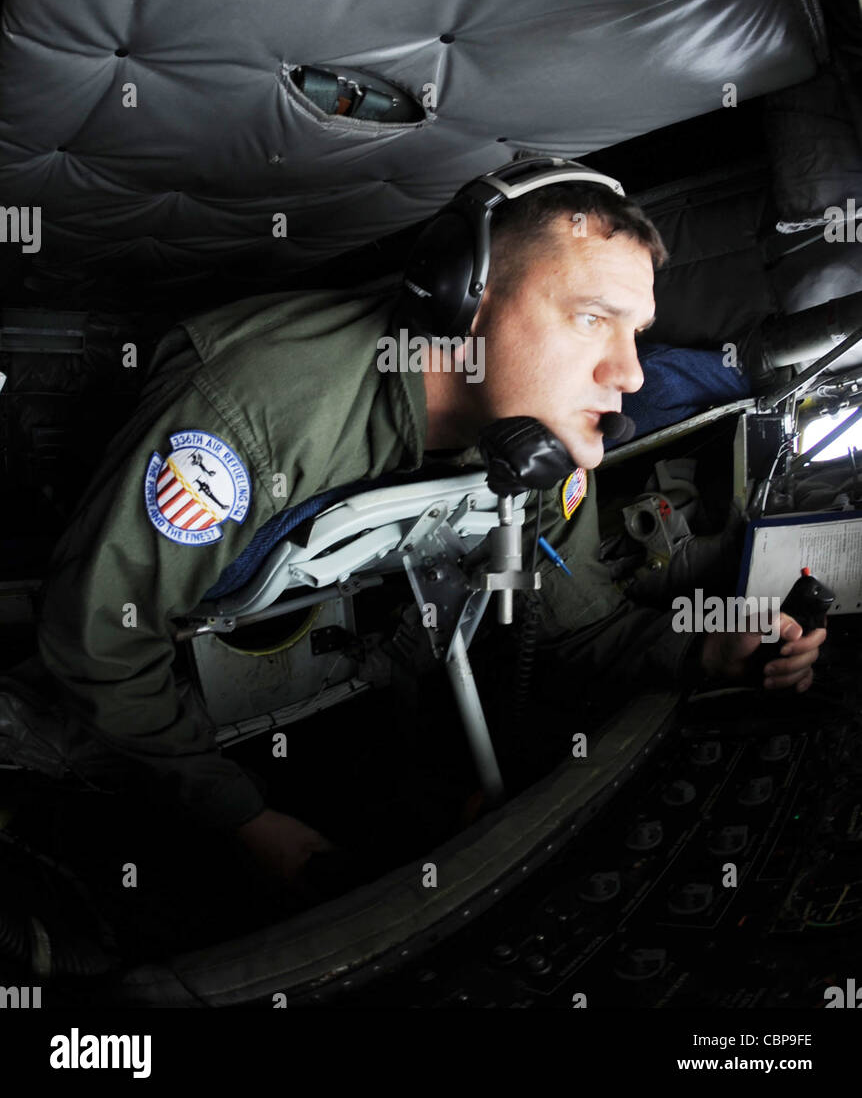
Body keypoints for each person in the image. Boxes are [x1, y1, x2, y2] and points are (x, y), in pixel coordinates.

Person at [32, 166, 826, 890]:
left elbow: (582, 625)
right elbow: (98, 640)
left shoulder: (547, 442)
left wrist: (706, 649)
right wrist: (242, 818)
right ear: (462, 298)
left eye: (635, 334)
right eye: (592, 318)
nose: (629, 374)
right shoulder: (256, 412)